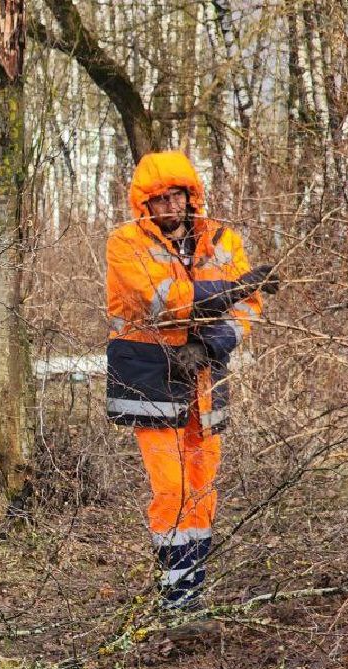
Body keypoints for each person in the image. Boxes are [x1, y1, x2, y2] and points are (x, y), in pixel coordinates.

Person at [105, 151, 278, 612]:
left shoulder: (221, 239)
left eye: (174, 195)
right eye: (158, 199)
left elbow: (249, 308)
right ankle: (174, 596)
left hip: (205, 376)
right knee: (171, 488)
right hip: (150, 374)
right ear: (145, 204)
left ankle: (191, 589)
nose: (167, 206)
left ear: (189, 195)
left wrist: (212, 342)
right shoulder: (126, 243)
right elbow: (165, 300)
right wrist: (234, 288)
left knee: (202, 487)